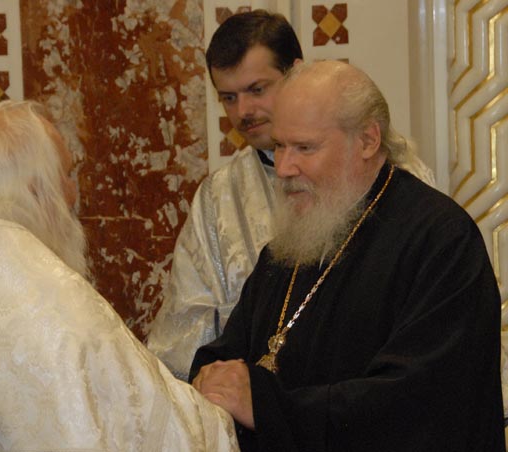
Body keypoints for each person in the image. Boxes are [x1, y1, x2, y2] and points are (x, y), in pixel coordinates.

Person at [189, 60, 505, 451]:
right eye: (279, 146)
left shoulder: (441, 241)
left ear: (368, 141)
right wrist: (211, 379)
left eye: (304, 148)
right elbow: (227, 354)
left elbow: (420, 402)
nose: (283, 168)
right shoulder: (291, 246)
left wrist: (269, 408)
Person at [0, 100, 239, 451]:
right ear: (36, 190)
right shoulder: (58, 307)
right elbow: (162, 429)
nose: (73, 194)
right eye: (66, 174)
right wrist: (217, 410)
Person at [147, 9, 436, 381]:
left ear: (297, 73)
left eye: (257, 89)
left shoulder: (396, 180)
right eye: (229, 97)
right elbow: (183, 339)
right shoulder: (218, 197)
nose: (243, 112)